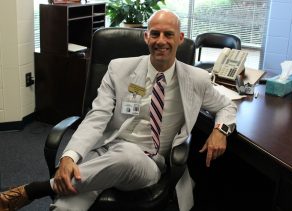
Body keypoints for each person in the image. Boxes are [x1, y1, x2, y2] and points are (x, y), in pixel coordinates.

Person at [0, 9, 237, 211]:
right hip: (104, 152)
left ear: (180, 38)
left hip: (148, 164)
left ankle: (37, 189)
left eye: (168, 34)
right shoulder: (119, 69)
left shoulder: (196, 79)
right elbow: (97, 116)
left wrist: (221, 130)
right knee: (64, 206)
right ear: (146, 37)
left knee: (127, 156)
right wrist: (69, 156)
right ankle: (55, 185)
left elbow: (227, 105)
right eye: (155, 34)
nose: (161, 40)